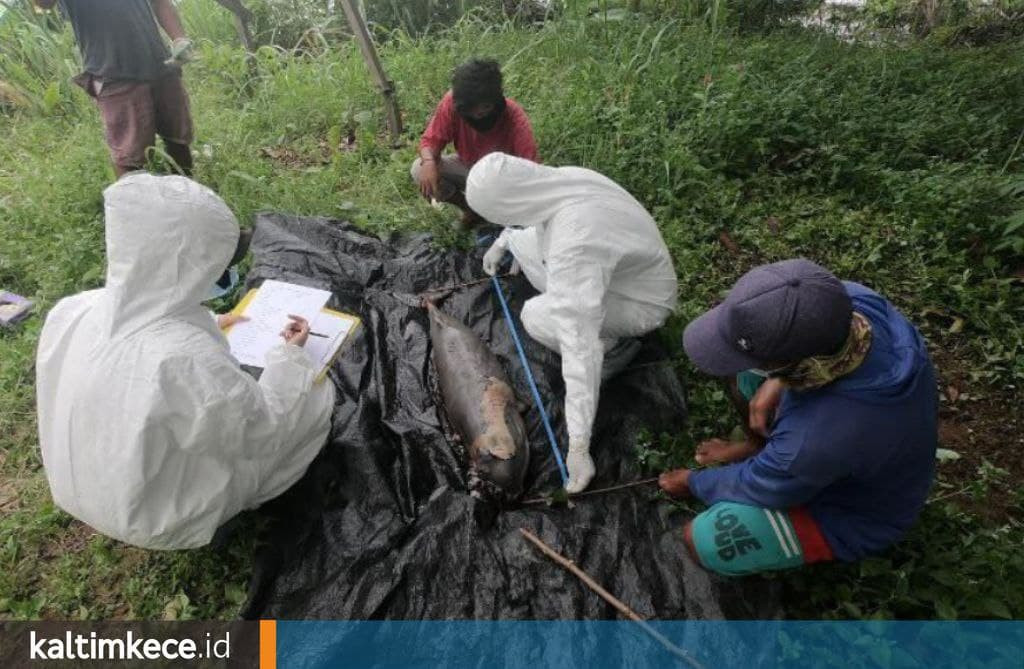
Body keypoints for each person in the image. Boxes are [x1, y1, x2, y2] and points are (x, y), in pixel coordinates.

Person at [36, 173, 335, 550]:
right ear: (193, 266)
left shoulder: (74, 309)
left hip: (81, 487)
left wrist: (211, 320)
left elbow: (136, 336)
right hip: (156, 518)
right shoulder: (185, 360)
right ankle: (213, 519)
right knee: (313, 400)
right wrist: (290, 358)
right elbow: (263, 430)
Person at [659, 259, 937, 575]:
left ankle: (772, 468)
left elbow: (761, 486)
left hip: (852, 512)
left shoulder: (813, 441)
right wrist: (779, 380)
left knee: (706, 539)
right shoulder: (853, 301)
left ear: (797, 362)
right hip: (843, 439)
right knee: (748, 373)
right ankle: (758, 448)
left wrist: (693, 482)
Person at [467, 152, 678, 494]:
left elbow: (578, 346)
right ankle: (600, 326)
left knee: (536, 316)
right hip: (625, 267)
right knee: (546, 264)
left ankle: (615, 347)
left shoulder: (575, 242)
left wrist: (578, 445)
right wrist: (505, 242)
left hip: (643, 301)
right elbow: (534, 222)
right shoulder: (562, 180)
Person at [35, 0, 195, 177]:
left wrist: (179, 38)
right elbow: (44, 3)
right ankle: (131, 203)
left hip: (158, 63)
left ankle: (187, 193)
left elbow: (160, 2)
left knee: (178, 139)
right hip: (112, 75)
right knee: (129, 159)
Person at [412, 59, 539, 229]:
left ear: (494, 100)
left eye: (484, 108)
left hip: (503, 179)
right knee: (418, 169)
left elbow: (531, 170)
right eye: (471, 111)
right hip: (468, 168)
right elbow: (431, 141)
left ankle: (501, 217)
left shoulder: (514, 118)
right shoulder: (451, 103)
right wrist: (428, 162)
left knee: (518, 214)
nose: (477, 115)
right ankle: (471, 211)